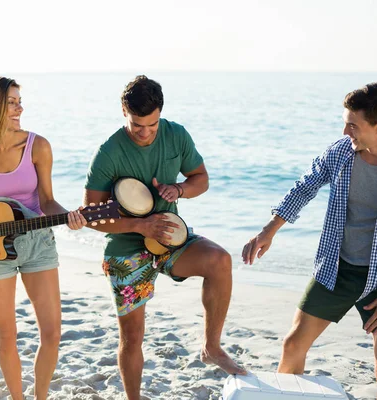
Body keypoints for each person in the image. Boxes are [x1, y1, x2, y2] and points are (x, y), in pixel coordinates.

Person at [84, 75, 245, 400]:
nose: (145, 133)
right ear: (124, 112)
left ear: (161, 115)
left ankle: (211, 347)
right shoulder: (109, 152)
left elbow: (201, 178)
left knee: (220, 261)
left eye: (152, 126)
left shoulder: (176, 135)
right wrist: (140, 226)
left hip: (170, 238)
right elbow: (91, 216)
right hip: (126, 249)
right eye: (137, 125)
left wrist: (181, 189)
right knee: (132, 337)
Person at [242, 82, 377, 400]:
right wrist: (269, 230)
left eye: (353, 124)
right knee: (293, 345)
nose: (345, 130)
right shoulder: (341, 153)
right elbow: (305, 187)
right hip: (337, 269)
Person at [0, 76, 86, 400]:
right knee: (6, 334)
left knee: (52, 332)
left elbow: (47, 201)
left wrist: (69, 216)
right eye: (12, 102)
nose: (20, 108)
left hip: (37, 243)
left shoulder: (38, 146)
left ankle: (41, 397)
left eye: (20, 100)